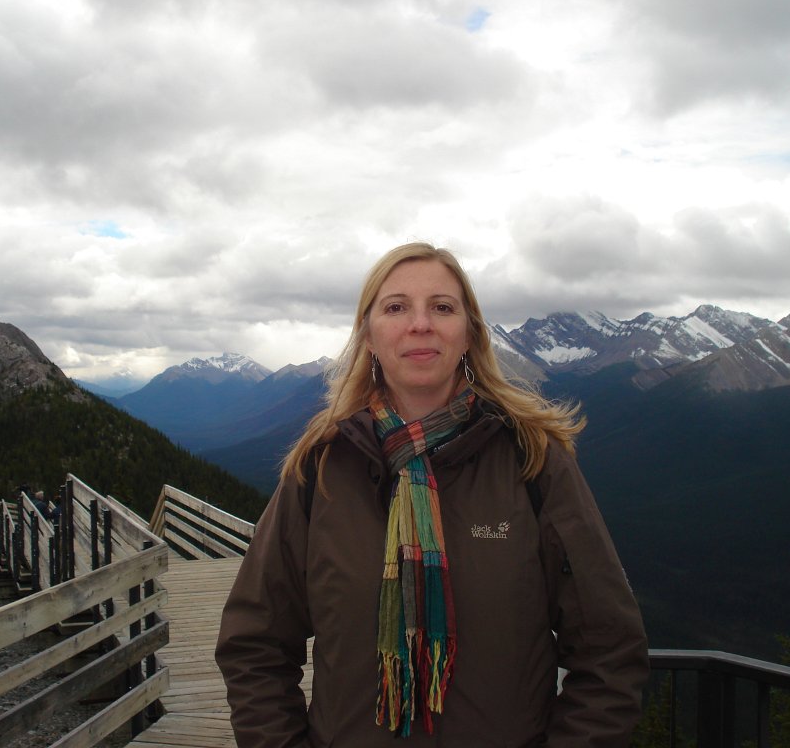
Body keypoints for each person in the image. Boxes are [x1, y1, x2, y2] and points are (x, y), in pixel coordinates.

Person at [215, 243, 649, 747]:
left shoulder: (533, 459)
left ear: (468, 332)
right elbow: (255, 643)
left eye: (442, 307)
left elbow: (610, 648)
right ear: (369, 337)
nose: (420, 324)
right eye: (396, 307)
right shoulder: (323, 469)